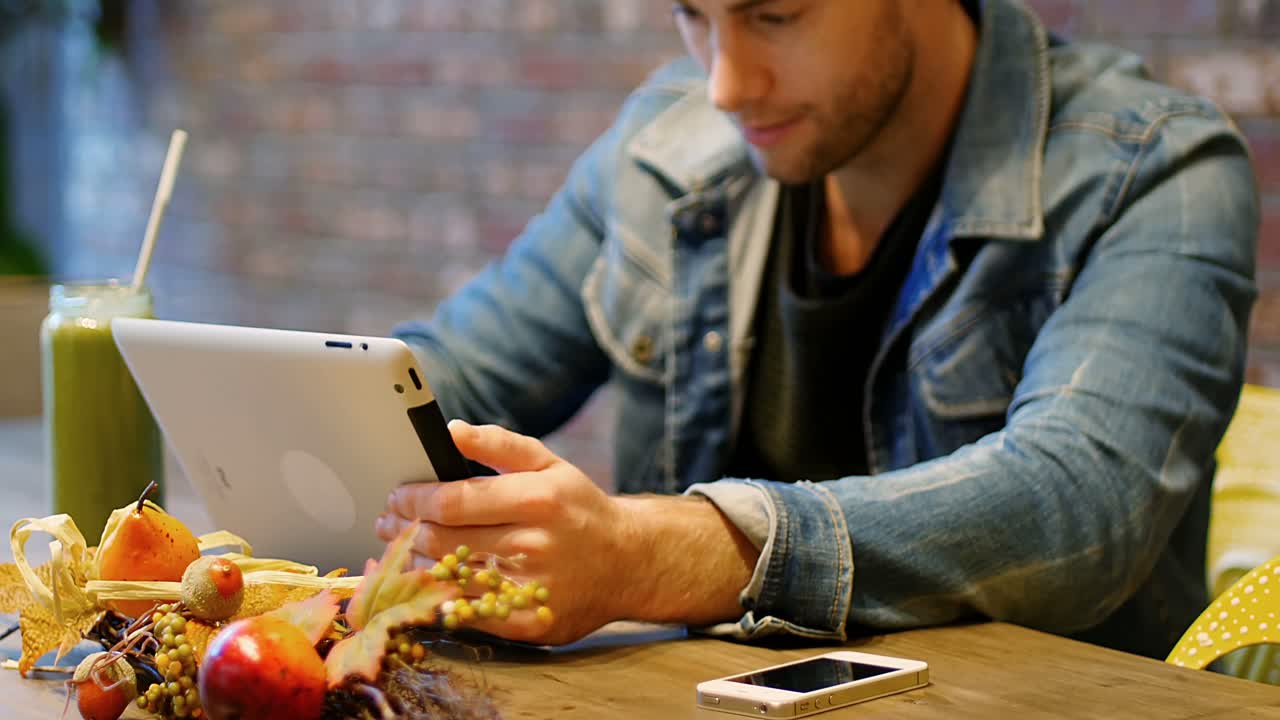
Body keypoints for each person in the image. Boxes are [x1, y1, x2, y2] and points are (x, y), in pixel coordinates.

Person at [376, 0, 1259, 659]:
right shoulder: (667, 143)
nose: (727, 82)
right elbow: (456, 374)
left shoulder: (1156, 170)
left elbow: (1074, 507)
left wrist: (649, 555)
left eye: (775, 14)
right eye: (694, 13)